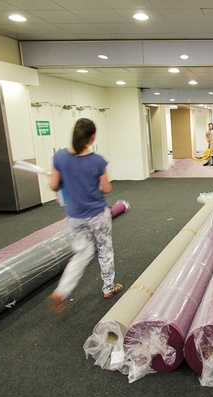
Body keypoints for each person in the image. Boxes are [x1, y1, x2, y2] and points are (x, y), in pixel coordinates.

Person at [48, 118, 123, 315]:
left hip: (75, 215)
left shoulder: (60, 157)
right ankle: (108, 288)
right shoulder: (97, 161)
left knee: (81, 253)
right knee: (104, 250)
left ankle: (62, 291)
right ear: (93, 137)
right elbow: (106, 188)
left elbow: (54, 186)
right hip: (98, 213)